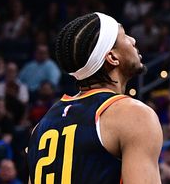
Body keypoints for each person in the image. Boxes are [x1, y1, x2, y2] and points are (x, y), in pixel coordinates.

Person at [27, 12, 162, 184]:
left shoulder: (40, 127)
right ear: (112, 58)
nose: (133, 40)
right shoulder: (133, 115)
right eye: (124, 36)